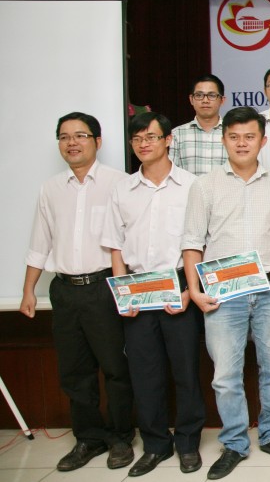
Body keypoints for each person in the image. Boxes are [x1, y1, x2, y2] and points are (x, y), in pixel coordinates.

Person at [181, 106, 270, 479]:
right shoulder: (205, 185)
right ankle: (234, 443)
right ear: (223, 140)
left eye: (250, 137)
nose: (242, 143)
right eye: (234, 137)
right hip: (222, 294)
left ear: (263, 141)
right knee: (225, 375)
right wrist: (194, 290)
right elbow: (192, 242)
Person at [20, 112, 134, 472]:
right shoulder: (51, 188)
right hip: (65, 291)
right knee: (74, 371)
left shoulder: (120, 183)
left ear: (97, 142)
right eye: (65, 136)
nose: (72, 142)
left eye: (80, 135)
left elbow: (129, 241)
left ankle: (121, 437)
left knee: (115, 368)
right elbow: (40, 242)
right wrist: (28, 290)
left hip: (104, 288)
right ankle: (88, 437)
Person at [101, 112, 205, 476]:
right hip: (137, 288)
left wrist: (190, 290)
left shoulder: (192, 185)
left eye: (151, 137)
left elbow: (200, 242)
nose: (143, 144)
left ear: (168, 140)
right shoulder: (122, 190)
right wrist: (122, 294)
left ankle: (188, 443)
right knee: (145, 374)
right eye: (137, 139)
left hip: (178, 285)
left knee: (186, 372)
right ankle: (156, 445)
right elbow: (115, 246)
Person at [170, 73, 227, 175]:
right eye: (199, 95)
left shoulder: (233, 133)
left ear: (222, 100)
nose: (205, 100)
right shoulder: (176, 135)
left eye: (212, 95)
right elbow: (172, 174)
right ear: (191, 99)